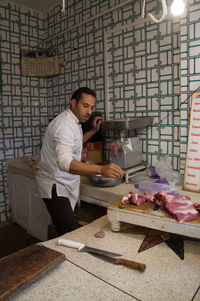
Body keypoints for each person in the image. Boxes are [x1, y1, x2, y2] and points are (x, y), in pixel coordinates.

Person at [36, 87, 124, 236]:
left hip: (64, 181)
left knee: (65, 229)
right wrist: (101, 170)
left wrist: (92, 132)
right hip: (55, 185)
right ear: (74, 102)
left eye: (91, 107)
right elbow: (64, 162)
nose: (89, 112)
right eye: (85, 106)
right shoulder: (64, 125)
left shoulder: (74, 122)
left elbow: (73, 146)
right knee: (69, 232)